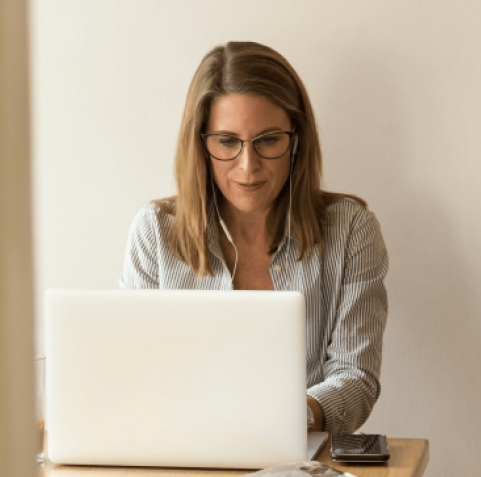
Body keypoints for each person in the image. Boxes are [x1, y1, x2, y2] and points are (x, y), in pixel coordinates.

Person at [120, 41, 388, 435]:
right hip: (180, 455)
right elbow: (134, 375)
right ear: (201, 144)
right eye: (227, 142)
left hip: (302, 462)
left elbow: (356, 378)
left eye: (267, 140)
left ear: (296, 139)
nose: (248, 167)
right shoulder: (154, 232)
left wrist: (288, 417)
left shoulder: (351, 230)